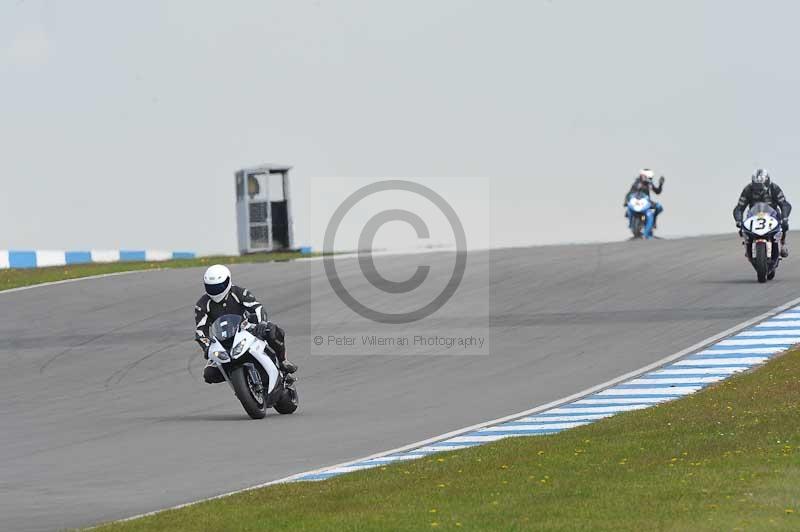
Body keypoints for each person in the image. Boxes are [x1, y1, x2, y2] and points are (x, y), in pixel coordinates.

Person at [194, 264, 297, 384]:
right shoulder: (202, 304)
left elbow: (257, 307)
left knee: (273, 331)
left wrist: (261, 323)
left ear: (228, 281)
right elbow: (200, 330)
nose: (215, 290)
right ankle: (239, 383)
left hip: (246, 329)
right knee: (209, 375)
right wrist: (206, 346)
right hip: (222, 340)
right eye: (211, 287)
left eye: (219, 286)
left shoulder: (238, 292)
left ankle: (283, 361)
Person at [733, 168, 792, 258]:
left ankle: (782, 244)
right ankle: (748, 245)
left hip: (773, 215)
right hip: (754, 216)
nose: (758, 188)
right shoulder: (748, 190)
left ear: (767, 182)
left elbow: (784, 204)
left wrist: (785, 218)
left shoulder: (774, 188)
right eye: (756, 185)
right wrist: (738, 220)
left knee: (784, 225)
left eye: (761, 185)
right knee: (742, 229)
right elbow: (739, 208)